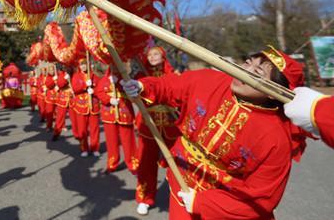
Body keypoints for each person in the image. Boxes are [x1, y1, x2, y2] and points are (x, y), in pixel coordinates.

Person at [121, 46, 306, 220]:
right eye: (247, 63)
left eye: (257, 72)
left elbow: (261, 198)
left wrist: (202, 202)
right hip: (180, 182)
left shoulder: (276, 137)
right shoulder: (209, 80)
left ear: (275, 93)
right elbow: (171, 85)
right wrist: (143, 87)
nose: (245, 72)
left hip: (224, 208)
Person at [133, 47, 180, 216]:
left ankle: (180, 193)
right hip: (148, 124)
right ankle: (145, 197)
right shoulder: (140, 76)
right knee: (146, 163)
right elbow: (133, 96)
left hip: (171, 126)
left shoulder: (173, 74)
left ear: (163, 56)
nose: (152, 57)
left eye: (156, 54)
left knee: (178, 163)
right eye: (149, 54)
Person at [94, 67, 137, 174]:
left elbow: (134, 93)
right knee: (111, 140)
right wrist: (109, 99)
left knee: (128, 140)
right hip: (109, 114)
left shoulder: (126, 79)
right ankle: (112, 163)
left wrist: (122, 84)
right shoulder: (104, 80)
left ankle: (133, 164)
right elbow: (98, 92)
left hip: (124, 112)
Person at [70, 58, 101, 157]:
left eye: (84, 64)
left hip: (93, 105)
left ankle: (95, 147)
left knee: (94, 128)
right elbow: (74, 89)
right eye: (81, 65)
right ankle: (84, 148)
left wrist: (94, 90)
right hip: (80, 105)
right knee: (82, 129)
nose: (83, 66)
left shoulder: (94, 76)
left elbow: (100, 89)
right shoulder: (76, 76)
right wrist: (84, 85)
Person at [52, 65, 72, 141]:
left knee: (75, 118)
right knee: (60, 117)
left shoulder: (76, 74)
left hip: (73, 98)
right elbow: (60, 84)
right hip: (63, 98)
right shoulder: (62, 75)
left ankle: (80, 134)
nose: (67, 68)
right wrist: (65, 79)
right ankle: (56, 133)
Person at [43, 64, 58, 132]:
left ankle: (59, 126)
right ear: (48, 71)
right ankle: (49, 126)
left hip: (57, 97)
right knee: (50, 113)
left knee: (58, 113)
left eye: (53, 70)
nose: (52, 71)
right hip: (50, 98)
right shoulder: (48, 77)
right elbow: (49, 85)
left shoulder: (57, 75)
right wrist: (53, 80)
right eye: (51, 70)